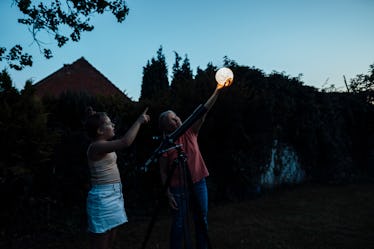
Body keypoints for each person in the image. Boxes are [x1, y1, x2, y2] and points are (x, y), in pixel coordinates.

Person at [158, 86, 223, 249]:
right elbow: (163, 171)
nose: (177, 120)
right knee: (179, 225)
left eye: (176, 116)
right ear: (166, 127)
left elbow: (204, 111)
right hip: (179, 189)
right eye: (172, 119)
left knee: (201, 220)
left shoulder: (190, 131)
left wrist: (217, 90)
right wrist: (168, 194)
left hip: (198, 183)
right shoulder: (166, 145)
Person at [84, 107, 150, 249]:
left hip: (114, 194)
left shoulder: (105, 145)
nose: (113, 125)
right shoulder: (95, 147)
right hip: (102, 197)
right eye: (109, 123)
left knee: (111, 239)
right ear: (100, 131)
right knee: (101, 242)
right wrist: (139, 121)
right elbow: (125, 142)